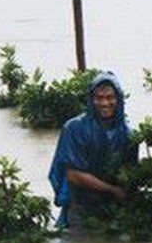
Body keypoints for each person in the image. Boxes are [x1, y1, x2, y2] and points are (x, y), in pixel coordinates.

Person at [48, 70, 137, 230]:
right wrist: (112, 189)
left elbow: (131, 173)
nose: (104, 103)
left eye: (110, 97)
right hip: (80, 207)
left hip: (114, 208)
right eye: (99, 98)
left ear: (119, 100)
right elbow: (73, 175)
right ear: (91, 100)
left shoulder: (129, 134)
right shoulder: (74, 128)